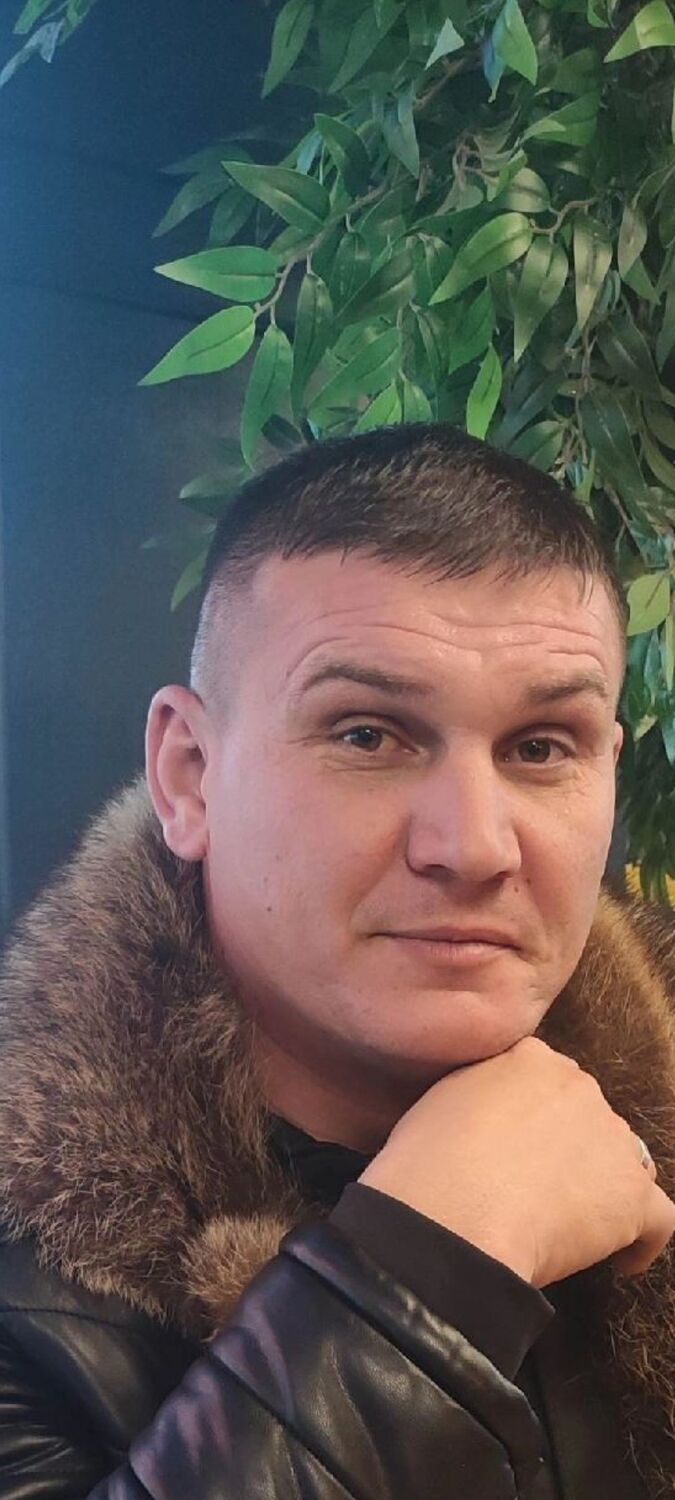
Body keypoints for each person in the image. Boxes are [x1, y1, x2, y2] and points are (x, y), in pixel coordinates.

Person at [0, 422, 673, 1500]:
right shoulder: (27, 1256)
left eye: (541, 747)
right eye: (367, 735)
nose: (475, 847)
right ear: (189, 776)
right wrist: (428, 1271)